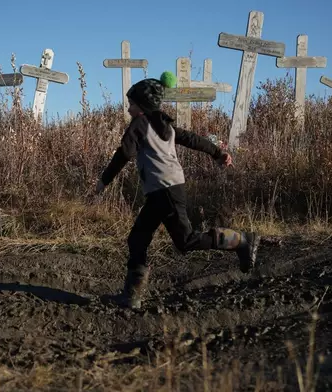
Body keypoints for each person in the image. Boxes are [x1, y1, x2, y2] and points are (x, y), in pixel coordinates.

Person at [94, 71, 260, 310]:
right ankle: (131, 297)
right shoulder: (167, 127)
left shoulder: (139, 124)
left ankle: (243, 241)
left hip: (166, 190)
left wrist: (104, 181)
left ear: (142, 105)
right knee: (137, 238)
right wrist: (218, 153)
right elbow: (193, 139)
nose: (128, 108)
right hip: (161, 191)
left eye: (131, 103)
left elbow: (125, 153)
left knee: (186, 241)